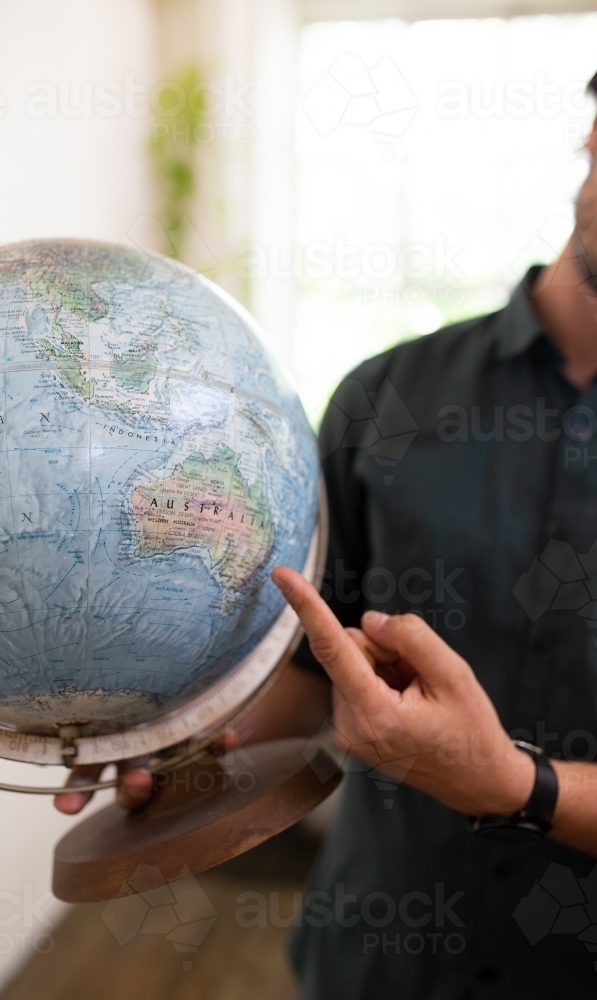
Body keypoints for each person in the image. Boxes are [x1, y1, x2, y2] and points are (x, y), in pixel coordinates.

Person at [56, 83, 597, 999]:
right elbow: (317, 670)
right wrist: (190, 744)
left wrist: (517, 785)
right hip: (376, 961)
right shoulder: (384, 399)